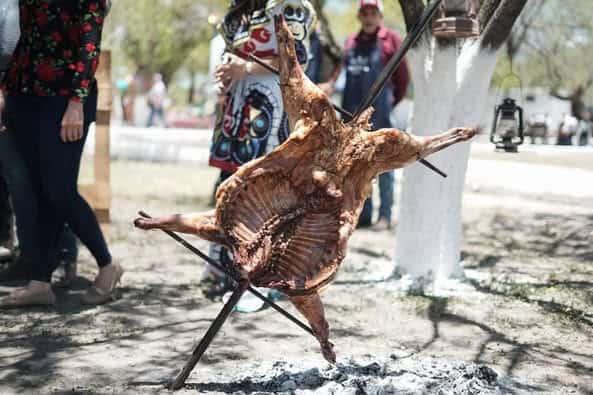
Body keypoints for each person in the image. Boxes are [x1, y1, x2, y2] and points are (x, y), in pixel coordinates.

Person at [0, 0, 122, 307]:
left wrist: (76, 103)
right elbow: (28, 38)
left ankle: (107, 265)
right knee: (41, 191)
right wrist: (5, 91)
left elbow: (89, 44)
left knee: (59, 189)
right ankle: (41, 282)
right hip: (23, 94)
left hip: (65, 100)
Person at [204, 0, 317, 301]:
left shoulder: (290, 7)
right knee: (228, 188)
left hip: (271, 113)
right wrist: (227, 73)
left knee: (262, 196)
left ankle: (259, 274)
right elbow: (233, 55)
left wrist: (247, 67)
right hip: (237, 112)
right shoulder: (237, 12)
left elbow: (298, 62)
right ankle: (222, 267)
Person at [322, 0, 409, 230]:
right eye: (365, 13)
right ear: (360, 16)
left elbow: (403, 79)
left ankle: (385, 216)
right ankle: (361, 214)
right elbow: (340, 73)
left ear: (380, 16)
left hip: (381, 113)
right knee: (357, 164)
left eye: (373, 13)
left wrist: (389, 103)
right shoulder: (351, 42)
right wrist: (329, 86)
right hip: (352, 112)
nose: (369, 17)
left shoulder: (391, 40)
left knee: (384, 163)